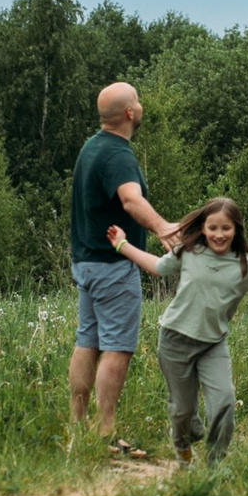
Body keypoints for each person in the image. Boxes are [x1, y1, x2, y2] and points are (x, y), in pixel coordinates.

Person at [108, 198, 248, 465]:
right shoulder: (190, 251)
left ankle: (215, 466)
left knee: (224, 404)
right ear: (203, 228)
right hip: (174, 341)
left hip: (212, 346)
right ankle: (182, 441)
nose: (219, 235)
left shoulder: (247, 266)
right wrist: (122, 245)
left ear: (236, 230)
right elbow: (157, 268)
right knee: (183, 412)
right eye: (213, 228)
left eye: (226, 228)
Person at [68, 81, 177, 451]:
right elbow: (131, 200)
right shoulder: (118, 154)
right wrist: (162, 226)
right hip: (113, 266)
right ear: (129, 113)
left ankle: (79, 427)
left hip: (86, 261)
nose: (141, 106)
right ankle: (105, 432)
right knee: (117, 347)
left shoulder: (91, 147)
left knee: (88, 342)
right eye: (138, 102)